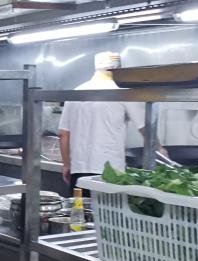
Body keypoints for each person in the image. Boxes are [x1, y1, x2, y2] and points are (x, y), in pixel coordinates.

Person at [59, 52, 147, 194]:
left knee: (80, 207)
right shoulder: (123, 92)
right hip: (110, 173)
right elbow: (144, 127)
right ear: (118, 69)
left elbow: (63, 134)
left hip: (79, 171)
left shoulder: (76, 92)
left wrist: (66, 165)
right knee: (107, 208)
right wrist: (160, 149)